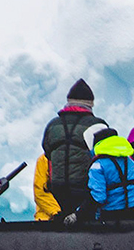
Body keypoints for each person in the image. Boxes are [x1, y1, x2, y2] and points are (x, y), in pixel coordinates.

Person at [40, 78, 108, 220]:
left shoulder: (53, 124)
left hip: (58, 187)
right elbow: (107, 155)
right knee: (86, 223)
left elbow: (47, 151)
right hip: (84, 188)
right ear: (90, 104)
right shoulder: (98, 124)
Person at [86, 128, 134, 219]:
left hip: (112, 214)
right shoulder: (130, 162)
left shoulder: (97, 166)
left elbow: (99, 197)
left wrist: (78, 214)